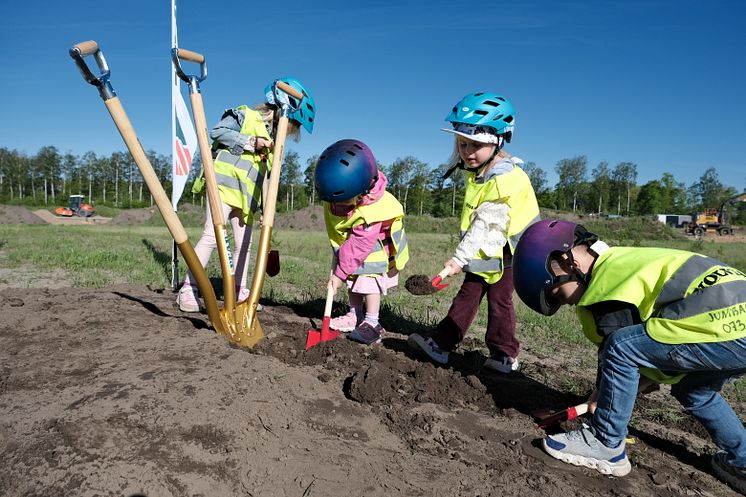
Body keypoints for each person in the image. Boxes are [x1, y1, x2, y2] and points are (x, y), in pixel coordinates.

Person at [512, 219, 746, 490]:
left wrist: (605, 397)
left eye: (558, 293)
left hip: (726, 326)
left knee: (622, 347)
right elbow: (653, 351)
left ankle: (606, 443)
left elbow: (621, 348)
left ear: (568, 263)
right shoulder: (622, 261)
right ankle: (742, 463)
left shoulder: (607, 285)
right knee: (694, 390)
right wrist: (618, 388)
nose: (566, 303)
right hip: (731, 325)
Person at [407, 91, 540, 373]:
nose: (467, 152)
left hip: (510, 251)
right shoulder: (479, 171)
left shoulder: (504, 178)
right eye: (462, 143)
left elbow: (486, 227)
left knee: (499, 301)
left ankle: (505, 356)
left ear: (497, 141)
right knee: (468, 295)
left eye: (476, 145)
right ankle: (442, 345)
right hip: (488, 248)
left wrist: (458, 260)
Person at [176, 77, 316, 312]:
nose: (293, 130)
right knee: (212, 237)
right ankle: (188, 289)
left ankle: (240, 291)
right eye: (294, 124)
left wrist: (265, 209)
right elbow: (216, 132)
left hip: (247, 198)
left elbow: (266, 177)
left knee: (244, 246)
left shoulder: (275, 140)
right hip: (221, 188)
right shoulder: (245, 115)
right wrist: (251, 142)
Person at [314, 139, 409, 345]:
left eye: (343, 202)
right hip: (353, 249)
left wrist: (339, 274)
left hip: (374, 251)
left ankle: (372, 322)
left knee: (367, 282)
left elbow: (359, 247)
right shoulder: (337, 194)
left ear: (363, 190)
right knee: (353, 281)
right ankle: (354, 315)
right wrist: (342, 267)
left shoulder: (372, 211)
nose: (337, 206)